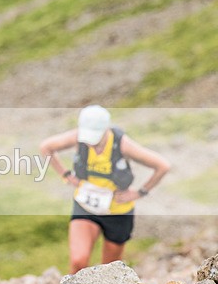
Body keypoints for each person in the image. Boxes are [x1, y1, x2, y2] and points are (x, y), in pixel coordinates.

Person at [40, 105, 170, 274]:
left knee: (109, 271)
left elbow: (162, 166)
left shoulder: (122, 144)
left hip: (117, 213)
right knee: (78, 261)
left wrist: (140, 192)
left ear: (105, 129)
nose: (90, 143)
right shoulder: (78, 137)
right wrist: (65, 174)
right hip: (85, 207)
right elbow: (46, 147)